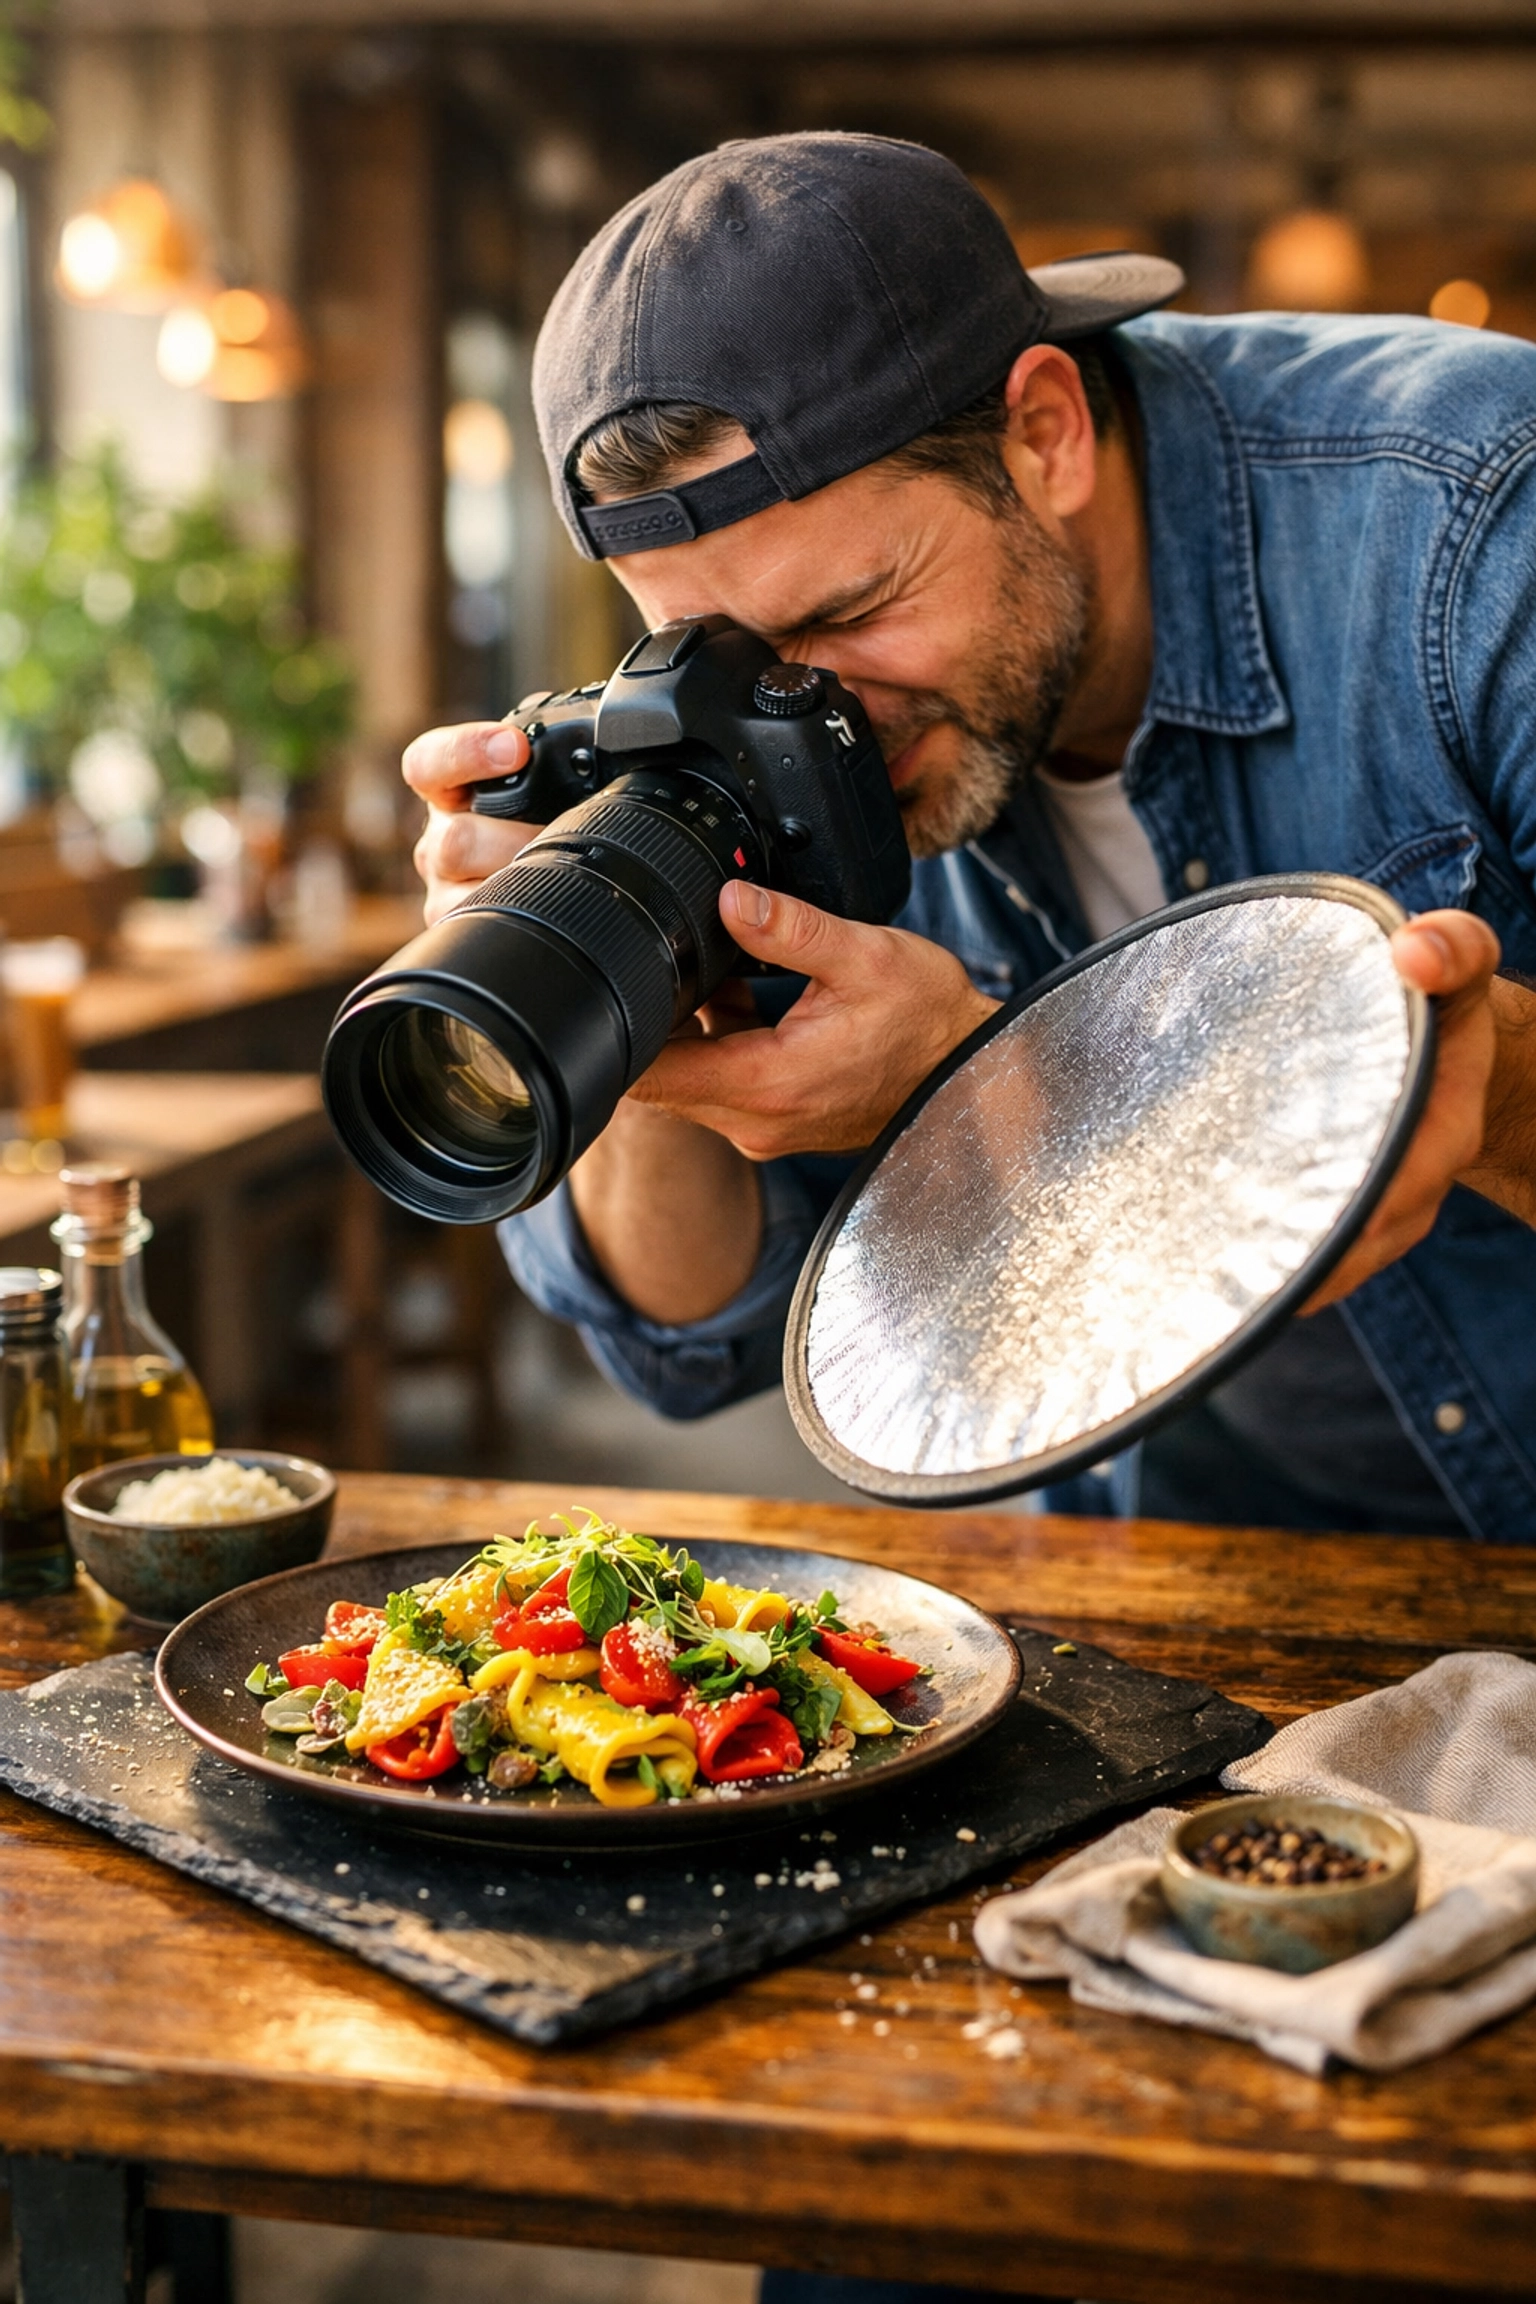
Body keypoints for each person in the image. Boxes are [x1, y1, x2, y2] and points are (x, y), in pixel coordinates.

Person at [402, 128, 1536, 2304]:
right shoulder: (755, 707)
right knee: (876, 2224)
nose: (805, 706)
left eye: (847, 617)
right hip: (1196, 1603)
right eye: (705, 650)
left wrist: (983, 1075)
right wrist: (607, 1001)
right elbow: (679, 1338)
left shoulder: (1470, 527)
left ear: (1043, 429)